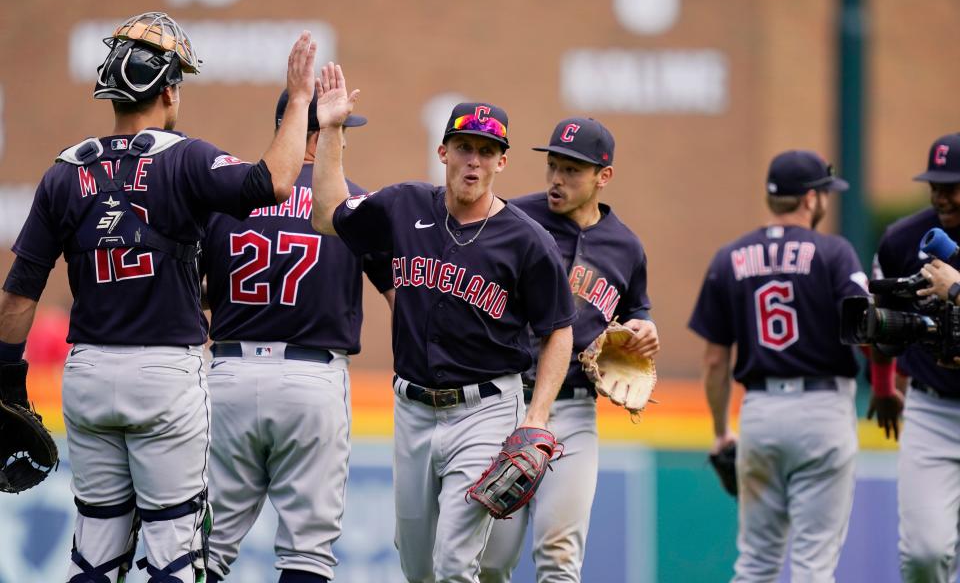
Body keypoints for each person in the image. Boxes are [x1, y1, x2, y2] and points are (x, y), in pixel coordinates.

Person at [0, 11, 319, 583]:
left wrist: (1, 377)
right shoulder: (184, 157)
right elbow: (272, 182)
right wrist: (298, 100)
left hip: (89, 371)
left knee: (95, 550)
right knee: (174, 552)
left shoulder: (63, 173)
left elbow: (20, 293)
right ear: (169, 91)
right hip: (165, 373)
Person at [308, 73, 576, 583]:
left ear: (503, 161)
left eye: (486, 150)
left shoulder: (527, 240)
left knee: (454, 564)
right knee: (416, 567)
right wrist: (332, 133)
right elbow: (327, 216)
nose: (473, 160)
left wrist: (537, 418)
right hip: (411, 409)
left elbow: (558, 330)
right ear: (443, 151)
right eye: (464, 147)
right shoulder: (404, 204)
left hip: (486, 409)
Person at [201, 90, 395, 583]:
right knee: (307, 551)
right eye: (340, 130)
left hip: (228, 376)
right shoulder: (353, 205)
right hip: (311, 380)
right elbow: (403, 300)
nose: (344, 140)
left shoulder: (228, 202)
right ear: (319, 135)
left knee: (205, 544)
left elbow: (194, 293)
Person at [477, 117, 658, 583]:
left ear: (604, 176)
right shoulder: (513, 219)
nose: (558, 179)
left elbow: (637, 309)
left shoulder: (626, 247)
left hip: (574, 415)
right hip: (507, 403)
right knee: (490, 560)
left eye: (572, 170)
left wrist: (644, 329)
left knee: (559, 557)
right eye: (553, 166)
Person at [687, 150, 868, 582]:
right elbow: (869, 334)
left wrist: (720, 431)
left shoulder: (729, 257)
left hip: (761, 415)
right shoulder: (834, 253)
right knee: (812, 566)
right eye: (824, 193)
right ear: (810, 197)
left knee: (756, 564)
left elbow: (715, 360)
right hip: (822, 410)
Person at [871, 132, 960, 582]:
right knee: (925, 554)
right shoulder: (904, 238)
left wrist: (957, 292)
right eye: (936, 184)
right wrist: (884, 385)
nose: (941, 194)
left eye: (952, 184)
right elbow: (881, 319)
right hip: (933, 409)